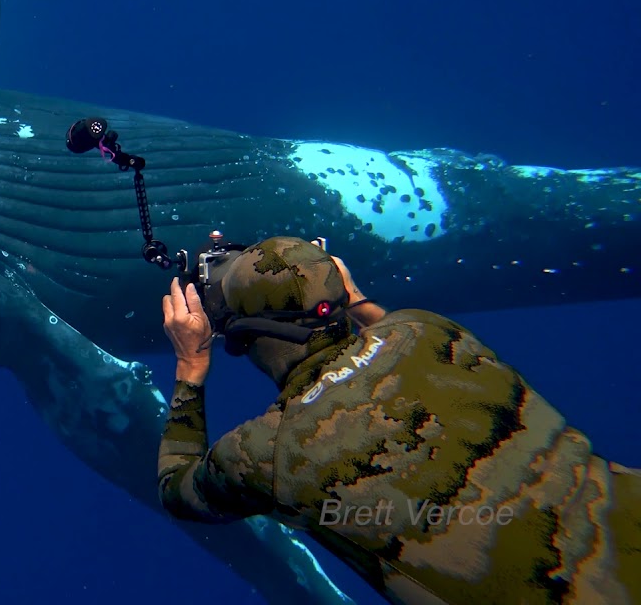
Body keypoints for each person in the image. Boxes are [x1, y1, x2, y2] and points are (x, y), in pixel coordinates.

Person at [157, 235, 641, 604]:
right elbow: (394, 331)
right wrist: (355, 297)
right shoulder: (427, 328)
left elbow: (177, 490)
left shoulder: (264, 454)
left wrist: (190, 367)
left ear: (237, 334)